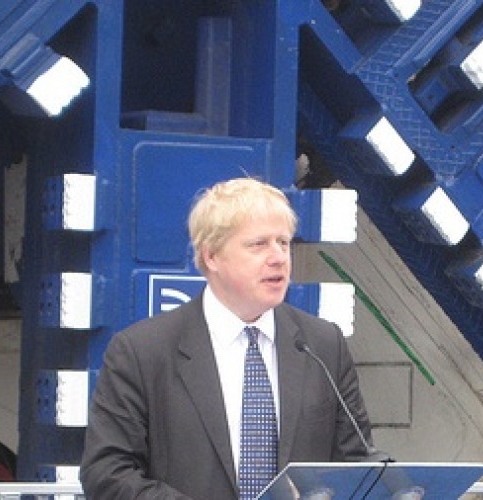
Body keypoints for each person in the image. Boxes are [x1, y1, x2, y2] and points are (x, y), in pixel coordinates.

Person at [80, 177, 375, 499]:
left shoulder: (323, 344)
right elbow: (107, 474)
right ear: (211, 257)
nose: (278, 257)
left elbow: (355, 463)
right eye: (258, 244)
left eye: (284, 243)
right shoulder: (142, 351)